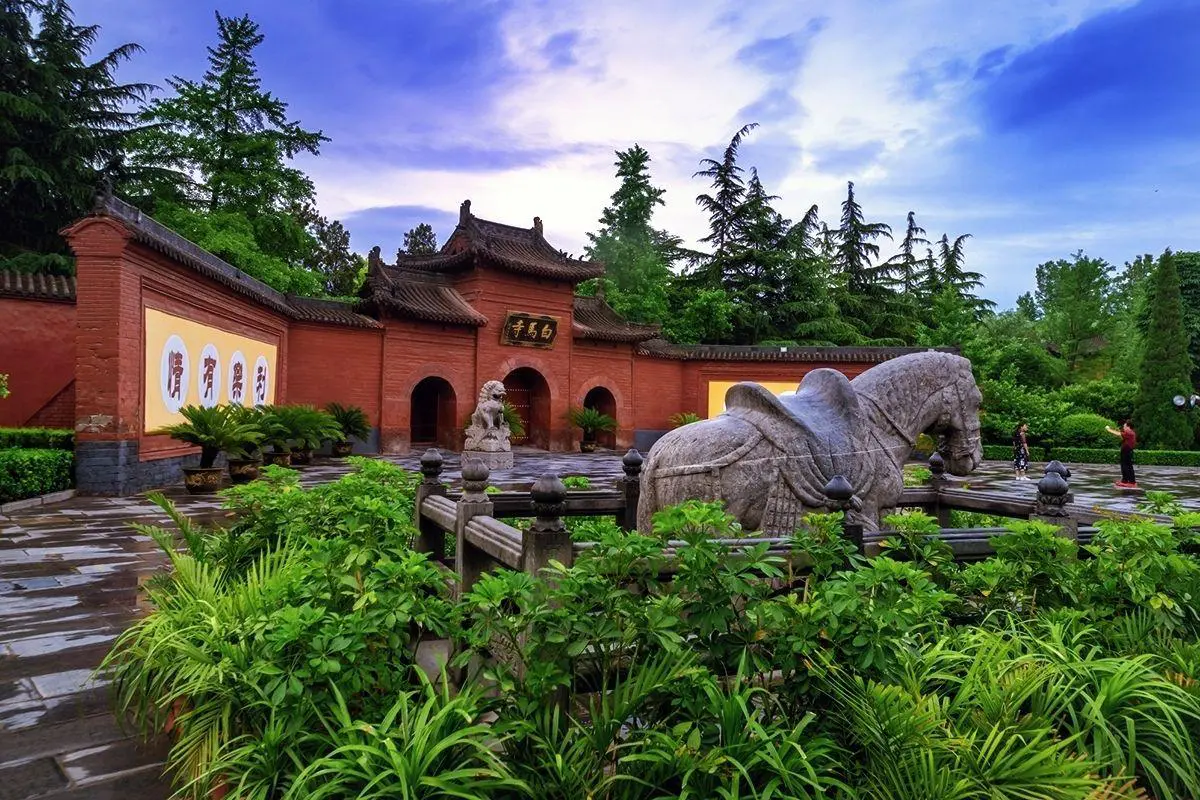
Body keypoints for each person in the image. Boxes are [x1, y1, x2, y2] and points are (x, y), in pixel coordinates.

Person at [1105, 419, 1137, 488]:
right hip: (1126, 450)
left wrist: (1109, 429)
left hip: (1127, 451)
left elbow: (1118, 433)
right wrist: (1115, 432)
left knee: (1127, 466)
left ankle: (1131, 482)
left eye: (1124, 426)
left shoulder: (1129, 432)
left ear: (1128, 426)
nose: (1123, 427)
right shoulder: (1129, 433)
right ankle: (1125, 481)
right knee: (1124, 465)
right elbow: (1120, 435)